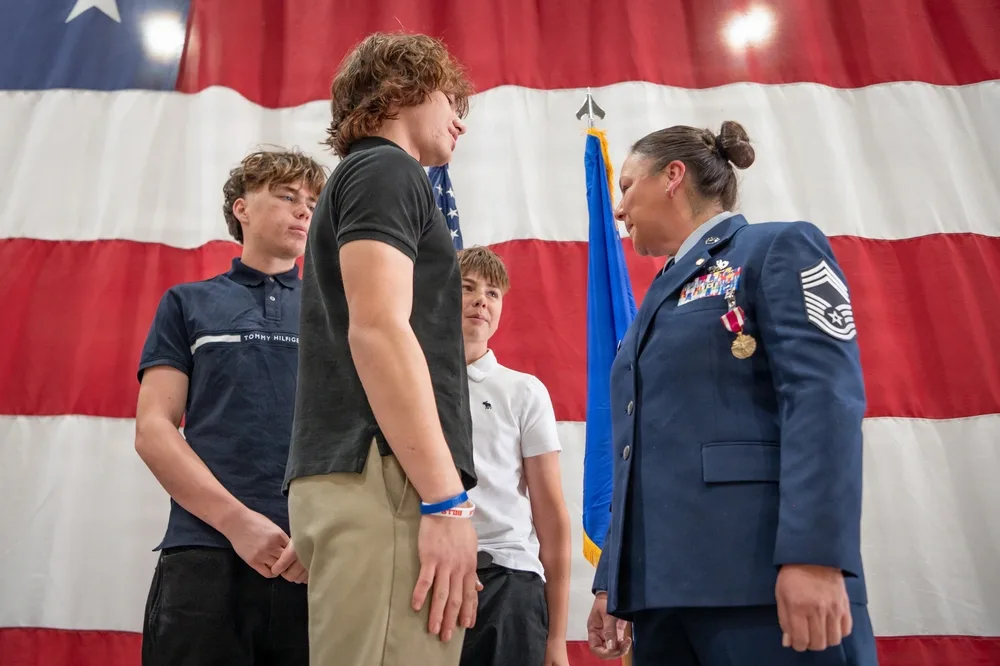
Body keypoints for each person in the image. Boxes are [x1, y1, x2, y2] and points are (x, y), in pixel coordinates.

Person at [585, 121, 880, 666]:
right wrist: (613, 582)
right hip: (663, 597)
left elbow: (822, 399)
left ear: (673, 176)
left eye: (626, 186)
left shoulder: (776, 248)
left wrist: (815, 555)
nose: (619, 209)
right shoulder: (657, 297)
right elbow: (638, 450)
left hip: (758, 583)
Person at [283, 32, 480, 666]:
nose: (460, 124)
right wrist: (447, 501)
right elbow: (377, 330)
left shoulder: (366, 175)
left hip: (373, 480)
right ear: (406, 86)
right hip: (388, 479)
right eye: (453, 100)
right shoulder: (386, 167)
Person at [134, 148, 328, 665]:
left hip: (313, 558)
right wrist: (238, 523)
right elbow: (154, 430)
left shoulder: (338, 311)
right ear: (241, 208)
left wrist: (321, 534)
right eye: (288, 197)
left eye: (311, 202)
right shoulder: (187, 303)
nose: (304, 210)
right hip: (205, 549)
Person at [455, 246, 572, 666]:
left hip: (508, 579)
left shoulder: (524, 391)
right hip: (428, 575)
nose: (480, 300)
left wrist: (557, 637)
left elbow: (551, 514)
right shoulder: (410, 382)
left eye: (492, 293)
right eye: (466, 288)